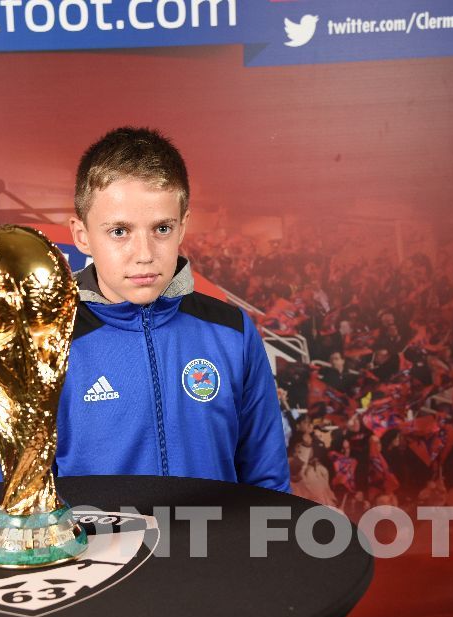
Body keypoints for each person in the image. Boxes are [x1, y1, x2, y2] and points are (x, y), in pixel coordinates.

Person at [56, 126, 291, 492]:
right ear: (81, 235)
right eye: (120, 231)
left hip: (215, 547)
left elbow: (267, 478)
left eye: (161, 228)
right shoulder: (47, 344)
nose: (145, 253)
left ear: (183, 226)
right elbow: (21, 498)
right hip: (98, 551)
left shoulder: (231, 331)